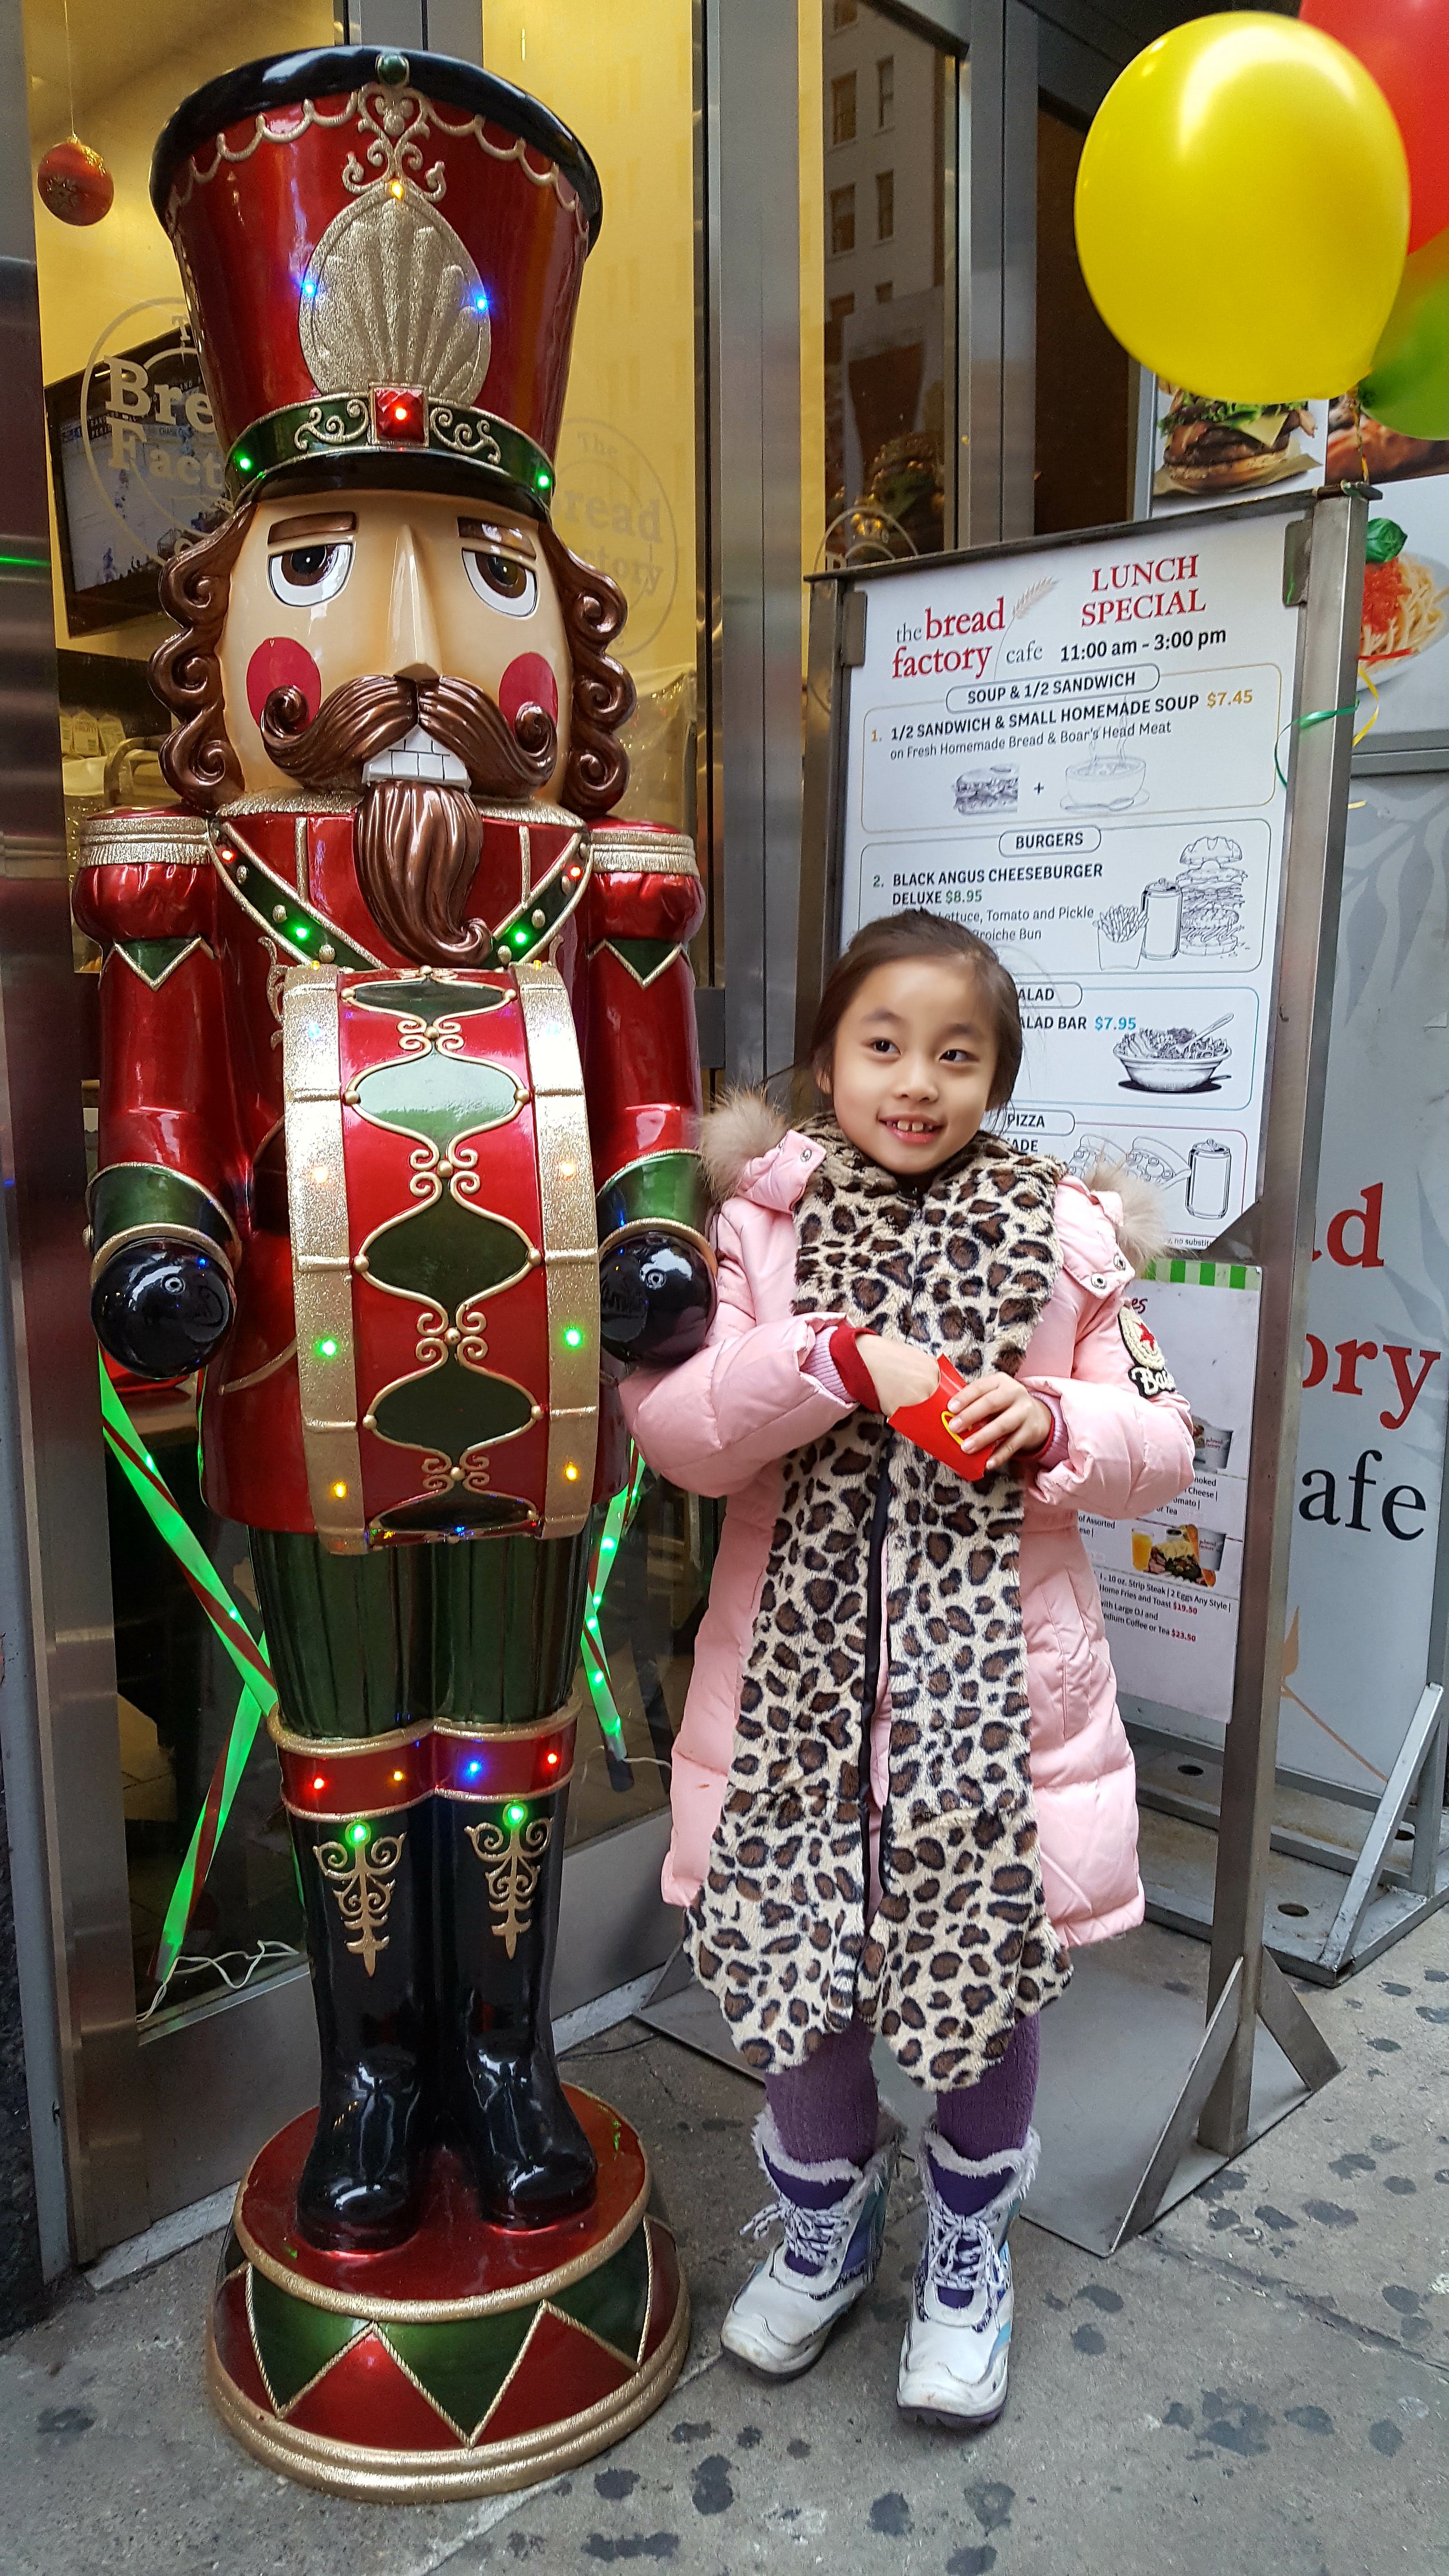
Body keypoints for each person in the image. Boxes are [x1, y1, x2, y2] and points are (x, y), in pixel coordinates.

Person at [621, 910, 1194, 2427]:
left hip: (993, 1722)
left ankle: (964, 2249)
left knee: (982, 1987)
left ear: (996, 1076)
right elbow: (677, 1432)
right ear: (826, 1061)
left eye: (956, 1053)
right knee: (797, 1986)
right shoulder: (755, 1226)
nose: (917, 1081)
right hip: (788, 1719)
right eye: (882, 1045)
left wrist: (1057, 1425)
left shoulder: (1068, 1234)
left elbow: (1161, 1442)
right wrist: (826, 1357)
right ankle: (823, 2222)